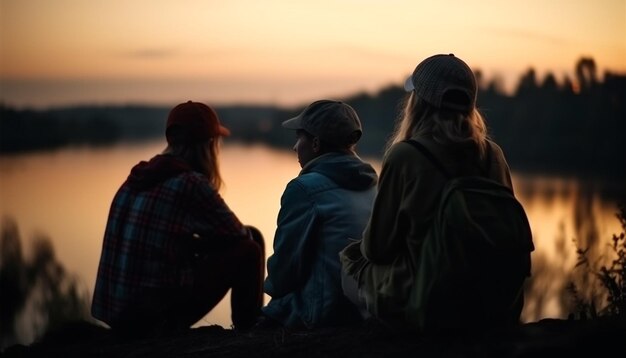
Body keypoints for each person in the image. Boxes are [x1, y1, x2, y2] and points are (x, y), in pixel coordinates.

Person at [340, 54, 533, 333]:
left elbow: (378, 248)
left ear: (418, 103)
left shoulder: (406, 155)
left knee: (349, 264)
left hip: (430, 300)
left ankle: (389, 332)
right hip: (491, 301)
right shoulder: (494, 155)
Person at [92, 101, 265, 336]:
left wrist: (196, 243)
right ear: (208, 145)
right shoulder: (189, 183)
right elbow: (239, 235)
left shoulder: (136, 178)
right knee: (251, 246)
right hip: (153, 319)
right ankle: (250, 332)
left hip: (117, 313)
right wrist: (206, 243)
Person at [260, 100, 378, 328]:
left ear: (315, 143)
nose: (295, 147)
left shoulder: (304, 189)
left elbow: (284, 271)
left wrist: (272, 296)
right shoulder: (374, 184)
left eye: (299, 138)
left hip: (322, 311)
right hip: (363, 305)